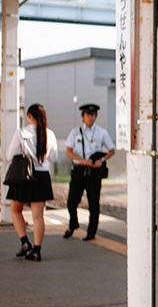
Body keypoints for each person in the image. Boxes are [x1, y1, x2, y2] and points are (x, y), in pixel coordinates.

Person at [6, 104, 58, 261]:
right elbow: (53, 158)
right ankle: (37, 250)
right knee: (38, 216)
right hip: (42, 176)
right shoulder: (49, 134)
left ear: (29, 116)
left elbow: (9, 155)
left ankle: (24, 242)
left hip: (24, 176)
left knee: (15, 210)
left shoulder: (21, 133)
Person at [63, 104, 115, 241]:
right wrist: (82, 160)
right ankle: (73, 224)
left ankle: (92, 232)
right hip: (79, 170)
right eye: (88, 115)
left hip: (94, 172)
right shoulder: (75, 132)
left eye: (93, 115)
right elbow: (68, 151)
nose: (91, 117)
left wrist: (102, 159)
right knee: (71, 201)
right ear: (83, 116)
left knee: (93, 203)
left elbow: (111, 149)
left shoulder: (101, 132)